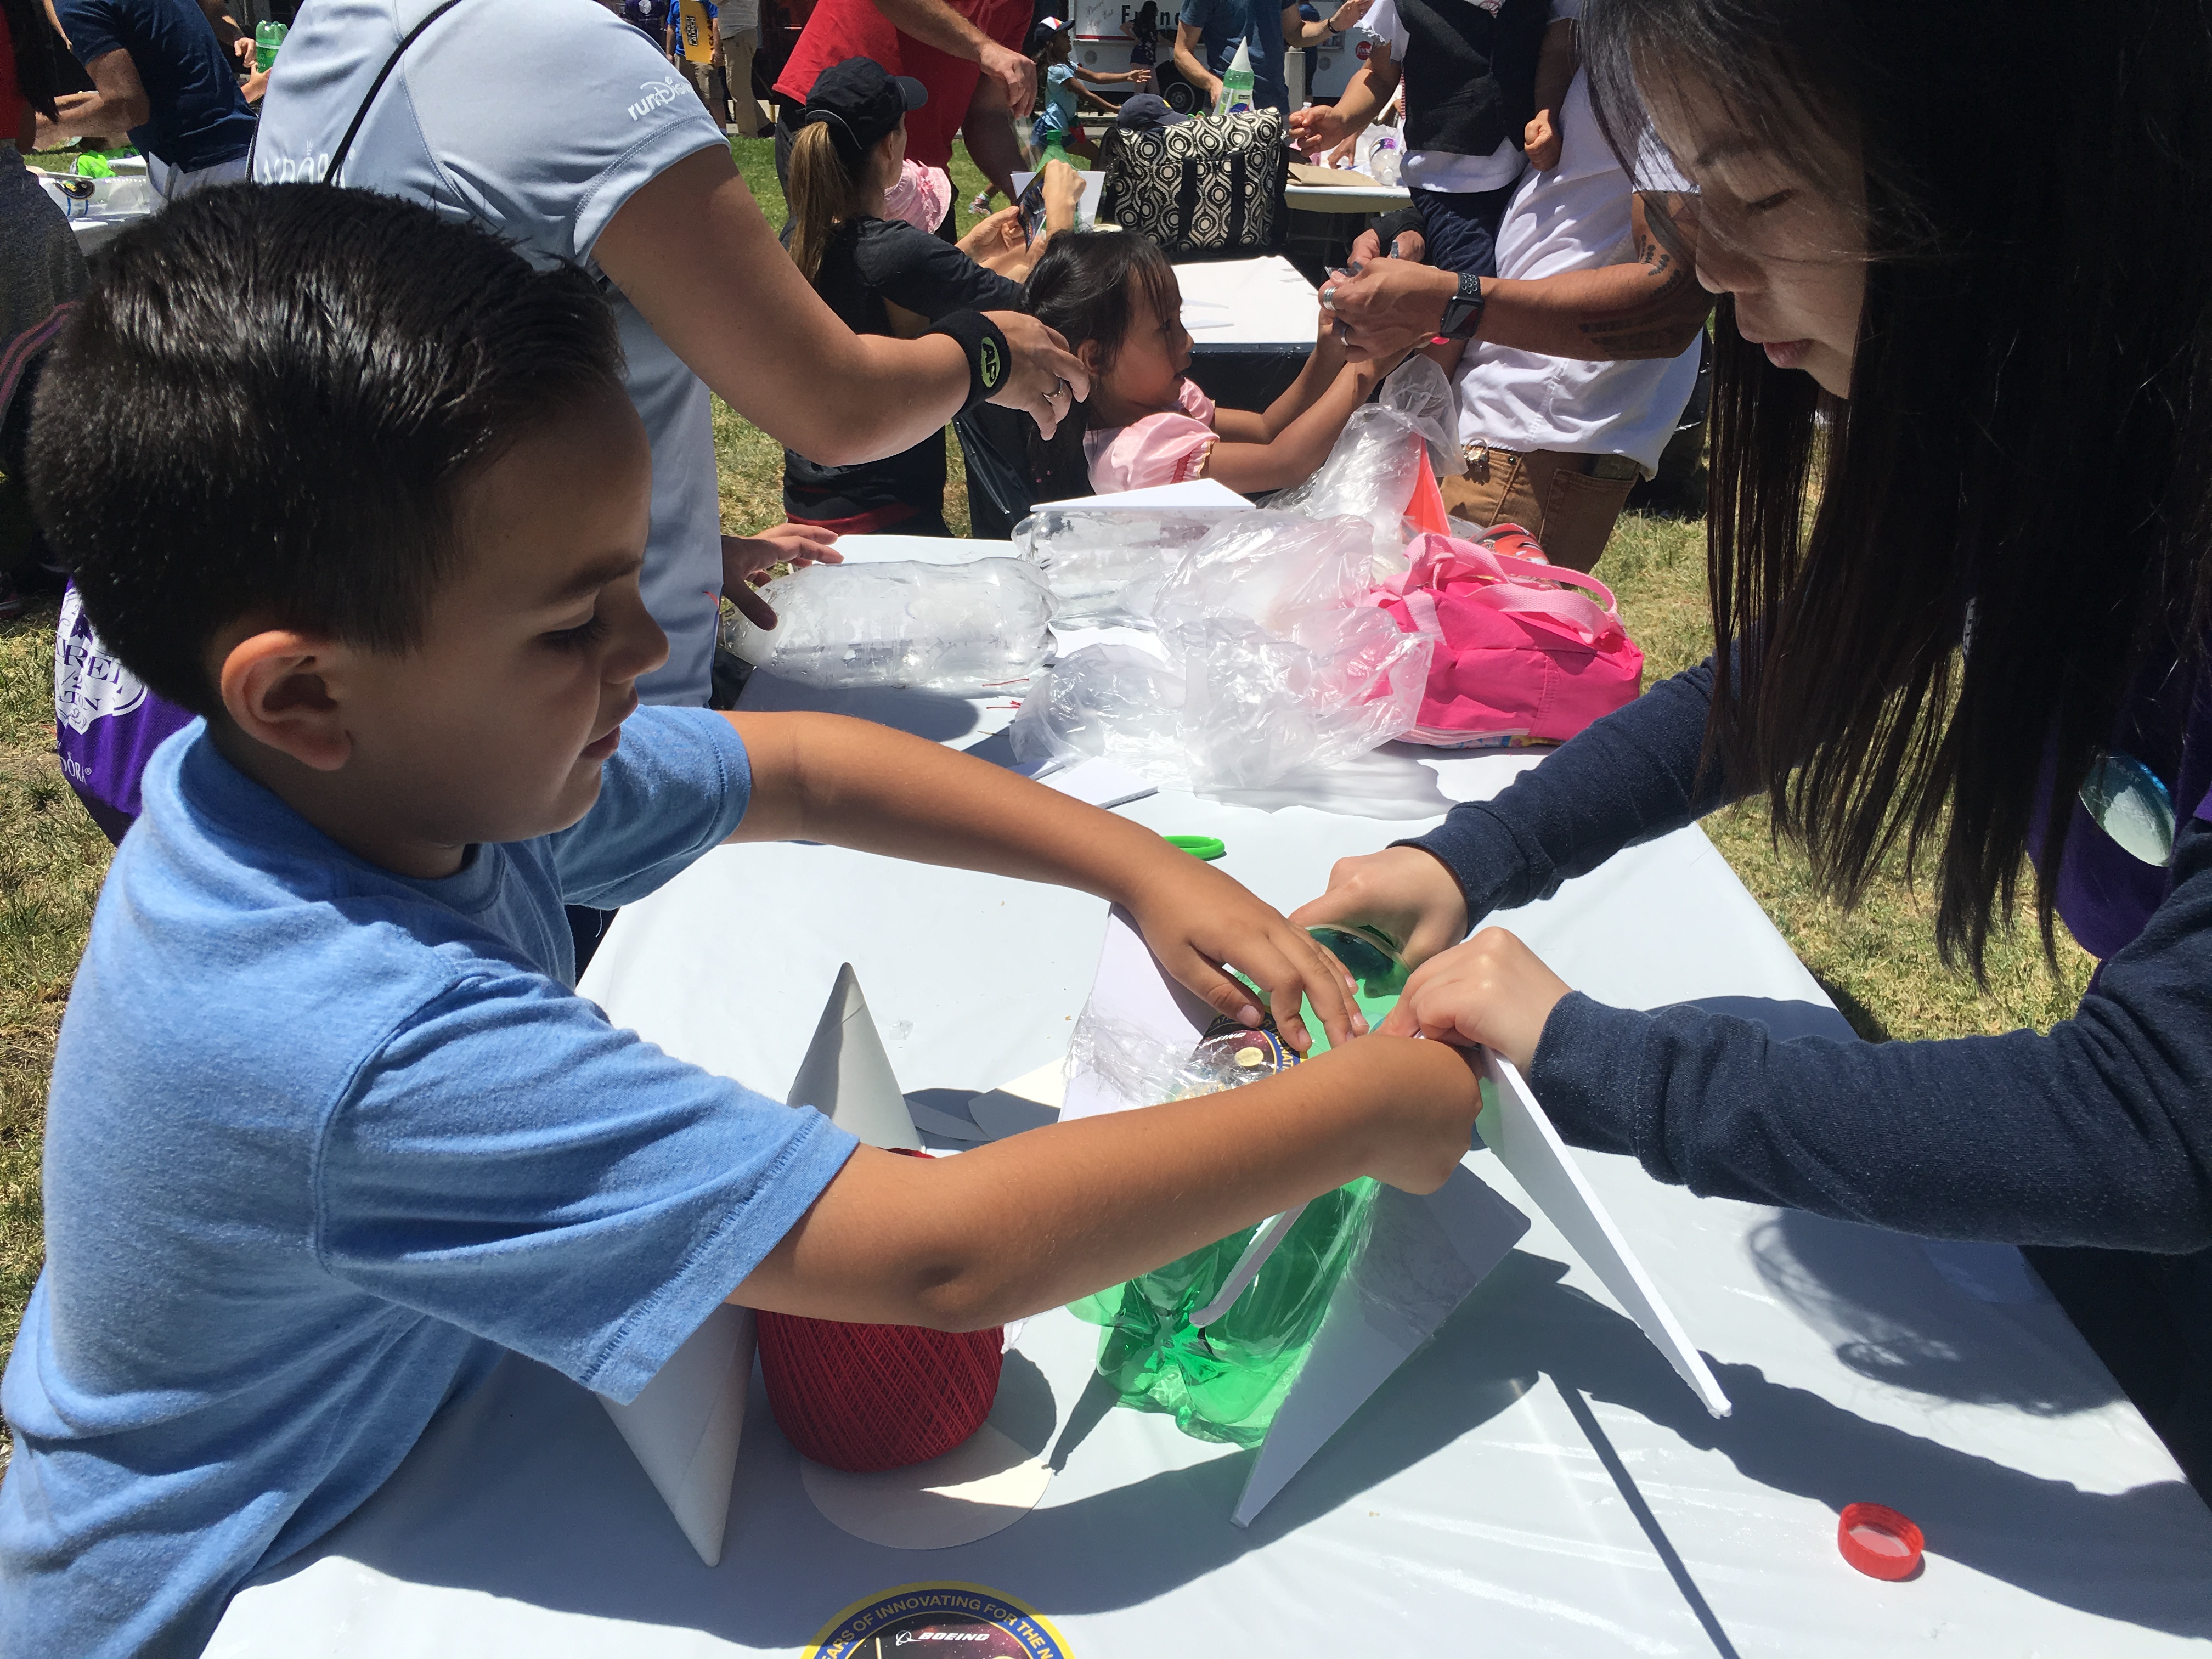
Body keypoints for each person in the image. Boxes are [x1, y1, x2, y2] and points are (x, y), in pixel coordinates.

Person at [0, 183, 1483, 1655]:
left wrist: (1138, 868)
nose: (649, 651)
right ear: (306, 690)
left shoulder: (378, 774)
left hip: (412, 1458)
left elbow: (804, 766)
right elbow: (941, 1257)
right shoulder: (360, 1036)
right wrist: (1362, 1113)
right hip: (233, 1598)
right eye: (576, 622)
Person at [1294, 0, 2212, 1495]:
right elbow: (1800, 672)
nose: (1709, 267)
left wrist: (1602, 1064)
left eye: (1762, 196)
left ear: (2006, 169)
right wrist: (1470, 857)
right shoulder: (2031, 421)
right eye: (1688, 199)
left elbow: (2158, 1120)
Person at [255, 0, 1085, 715]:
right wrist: (984, 351)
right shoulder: (562, 57)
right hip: (580, 726)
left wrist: (689, 551)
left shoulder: (325, 44)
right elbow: (833, 402)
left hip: (414, 694)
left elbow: (440, 402)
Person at [1352, 63, 1709, 571]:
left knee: (1470, 640)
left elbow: (1672, 300)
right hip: (1491, 403)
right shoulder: (1580, 27)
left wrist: (1449, 301)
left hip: (1540, 423)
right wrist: (1416, 229)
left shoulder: (1670, 46)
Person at [781, 59, 1080, 535]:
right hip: (889, 514)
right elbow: (1049, 306)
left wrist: (972, 249)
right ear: (890, 147)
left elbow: (885, 288)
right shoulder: (899, 250)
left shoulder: (798, 237)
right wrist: (1061, 214)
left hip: (810, 505)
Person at [1289, 0, 1575, 375]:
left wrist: (1545, 112)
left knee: (1501, 289)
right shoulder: (1402, 4)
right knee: (1464, 294)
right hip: (1449, 184)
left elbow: (1556, 51)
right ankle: (1427, 394)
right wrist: (1342, 118)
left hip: (1524, 175)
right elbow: (1378, 73)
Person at [1024, 230, 1407, 498]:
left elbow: (1266, 429)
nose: (1186, 340)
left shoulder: (1162, 405)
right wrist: (1366, 369)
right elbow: (1285, 463)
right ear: (1096, 358)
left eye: (1179, 320)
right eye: (1164, 328)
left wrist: (1331, 352)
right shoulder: (1140, 455)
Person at [775, 0, 1038, 218]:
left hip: (922, 172)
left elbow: (985, 115)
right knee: (838, 273)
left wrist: (1030, 194)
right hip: (836, 126)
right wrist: (984, 49)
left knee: (944, 276)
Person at [36, 0, 253, 197]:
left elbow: (127, 107)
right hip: (246, 153)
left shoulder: (78, 5)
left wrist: (54, 127)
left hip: (199, 174)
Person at [1173, 0, 1369, 116]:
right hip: (1226, 109)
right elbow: (1181, 52)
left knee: (1274, 185)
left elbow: (1295, 33)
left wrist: (1334, 24)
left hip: (1275, 110)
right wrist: (1213, 85)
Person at [717, 0, 768, 136]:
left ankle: (748, 134)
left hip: (738, 34)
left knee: (739, 89)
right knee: (737, 86)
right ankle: (763, 124)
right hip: (737, 34)